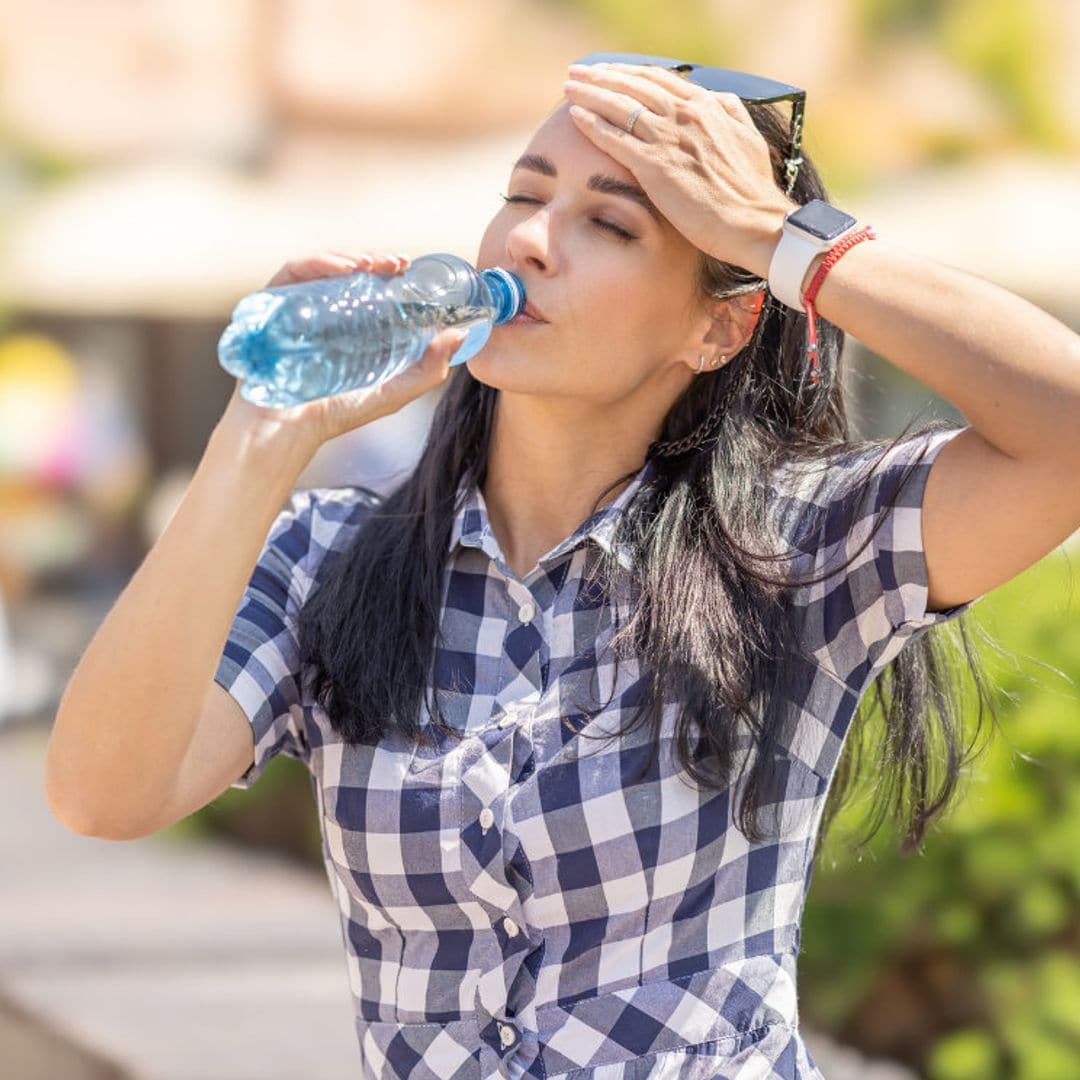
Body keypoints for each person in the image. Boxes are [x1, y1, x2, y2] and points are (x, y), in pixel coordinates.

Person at [45, 56, 1080, 1080]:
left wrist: (780, 241)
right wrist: (260, 435)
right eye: (523, 195)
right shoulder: (332, 560)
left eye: (611, 224)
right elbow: (104, 794)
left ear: (719, 323)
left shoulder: (797, 552)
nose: (532, 241)